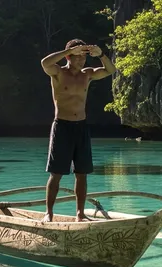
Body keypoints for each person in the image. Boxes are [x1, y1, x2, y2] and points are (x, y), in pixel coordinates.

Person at [39, 39, 116, 222]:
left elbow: (111, 70)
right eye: (78, 56)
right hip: (62, 126)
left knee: (81, 174)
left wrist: (101, 54)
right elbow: (45, 63)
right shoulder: (58, 73)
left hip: (80, 127)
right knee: (56, 174)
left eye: (84, 57)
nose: (82, 61)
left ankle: (80, 213)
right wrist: (72, 49)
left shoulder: (87, 74)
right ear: (68, 56)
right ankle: (49, 213)